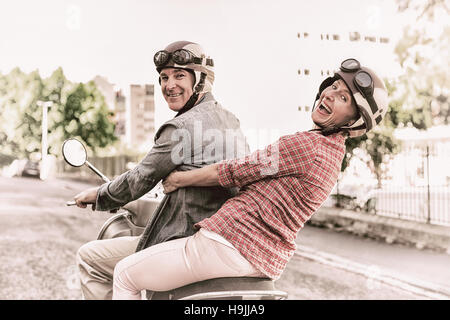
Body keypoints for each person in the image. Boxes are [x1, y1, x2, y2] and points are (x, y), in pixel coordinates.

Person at [110, 58, 389, 300]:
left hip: (227, 244)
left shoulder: (307, 146)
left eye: (343, 98)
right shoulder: (331, 156)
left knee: (125, 274)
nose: (330, 95)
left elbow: (235, 171)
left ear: (353, 122)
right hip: (264, 261)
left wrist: (178, 181)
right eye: (334, 87)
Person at [74, 41, 249, 299]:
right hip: (227, 239)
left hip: (184, 237)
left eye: (179, 75)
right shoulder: (233, 122)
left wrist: (99, 195)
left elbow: (140, 178)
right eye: (164, 77)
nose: (169, 85)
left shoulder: (180, 127)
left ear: (200, 79)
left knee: (89, 257)